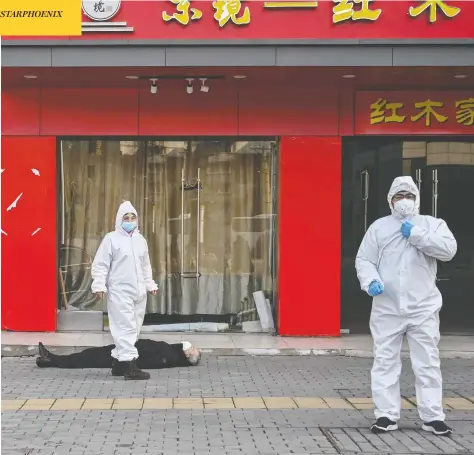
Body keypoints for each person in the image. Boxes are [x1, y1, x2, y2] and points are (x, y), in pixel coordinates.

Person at [355, 176, 457, 436]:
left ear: (417, 199)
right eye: (398, 196)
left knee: (428, 363)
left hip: (423, 307)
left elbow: (449, 250)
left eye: (408, 196)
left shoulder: (432, 225)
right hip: (387, 307)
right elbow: (364, 259)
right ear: (390, 200)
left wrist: (417, 235)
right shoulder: (379, 227)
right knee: (385, 361)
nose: (404, 201)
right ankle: (386, 415)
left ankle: (433, 416)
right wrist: (371, 281)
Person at [91, 201, 158, 380]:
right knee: (125, 328)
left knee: (134, 328)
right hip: (120, 291)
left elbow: (146, 266)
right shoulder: (111, 239)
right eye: (126, 218)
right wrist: (99, 285)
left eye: (132, 217)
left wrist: (150, 284)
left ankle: (118, 363)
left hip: (139, 292)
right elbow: (101, 264)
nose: (129, 220)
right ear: (119, 220)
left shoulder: (140, 240)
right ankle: (130, 366)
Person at [36, 340, 201, 370]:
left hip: (123, 354)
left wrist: (127, 355)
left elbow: (147, 360)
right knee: (89, 355)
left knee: (86, 358)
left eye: (194, 348)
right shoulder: (171, 352)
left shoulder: (169, 357)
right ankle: (50, 359)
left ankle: (51, 360)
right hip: (124, 348)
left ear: (187, 354)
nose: (193, 346)